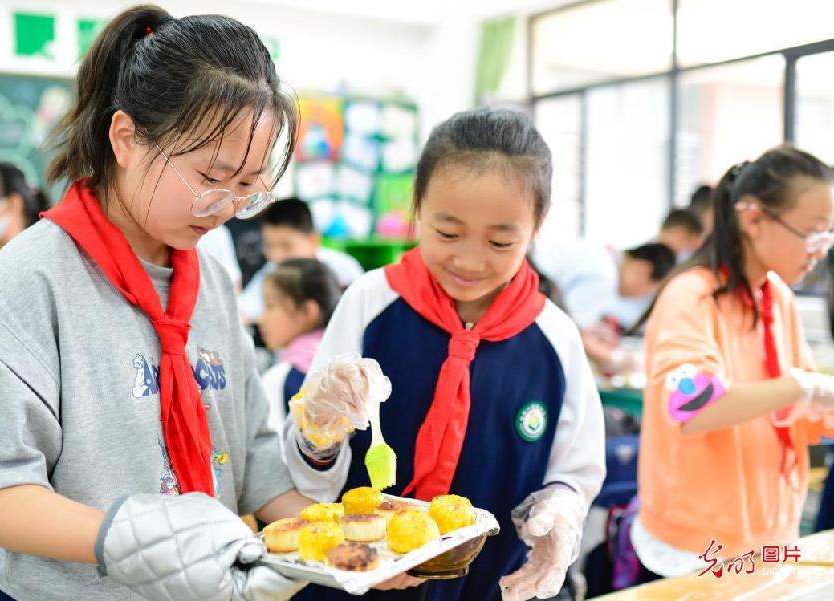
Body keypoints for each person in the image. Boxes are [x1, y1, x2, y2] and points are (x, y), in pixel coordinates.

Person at [0, 6, 336, 600]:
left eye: (248, 188)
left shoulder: (212, 285)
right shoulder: (33, 279)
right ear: (126, 139)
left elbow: (249, 456)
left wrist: (353, 541)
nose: (226, 206)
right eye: (212, 176)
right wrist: (124, 536)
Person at [283, 108, 606, 601]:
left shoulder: (555, 336)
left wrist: (561, 509)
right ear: (418, 207)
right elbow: (312, 464)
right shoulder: (371, 302)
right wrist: (319, 430)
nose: (470, 261)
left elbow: (575, 469)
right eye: (448, 233)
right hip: (362, 581)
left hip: (492, 585)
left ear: (536, 225)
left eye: (501, 241)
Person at [632, 146, 834, 581]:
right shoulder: (692, 297)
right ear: (754, 219)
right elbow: (692, 405)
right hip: (698, 546)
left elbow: (799, 409)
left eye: (829, 236)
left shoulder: (778, 297)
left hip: (769, 532)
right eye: (813, 233)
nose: (820, 250)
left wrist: (820, 402)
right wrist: (804, 387)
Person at [532, 240, 676, 372]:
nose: (640, 296)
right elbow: (572, 334)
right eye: (649, 290)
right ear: (643, 270)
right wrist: (617, 359)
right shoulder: (606, 278)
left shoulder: (603, 258)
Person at [239, 197, 363, 323]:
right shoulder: (271, 272)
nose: (276, 256)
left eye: (286, 246)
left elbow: (361, 310)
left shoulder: (344, 269)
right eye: (269, 245)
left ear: (313, 240)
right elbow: (244, 310)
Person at [259, 258, 341, 432]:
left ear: (307, 311)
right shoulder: (348, 365)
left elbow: (272, 449)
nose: (262, 319)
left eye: (270, 306)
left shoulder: (282, 378)